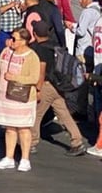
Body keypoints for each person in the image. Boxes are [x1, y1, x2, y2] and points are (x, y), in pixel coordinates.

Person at [27, 20, 86, 157]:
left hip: (47, 85)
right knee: (63, 113)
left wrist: (38, 89)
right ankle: (77, 142)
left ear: (34, 33)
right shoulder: (55, 46)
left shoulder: (39, 49)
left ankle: (31, 143)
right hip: (58, 85)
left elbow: (41, 72)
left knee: (35, 114)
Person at [0, 27, 42, 171]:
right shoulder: (6, 52)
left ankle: (25, 159)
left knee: (24, 128)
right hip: (5, 97)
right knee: (10, 128)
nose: (10, 41)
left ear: (24, 41)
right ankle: (9, 157)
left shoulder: (32, 56)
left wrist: (15, 78)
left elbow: (34, 78)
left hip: (22, 98)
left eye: (14, 39)